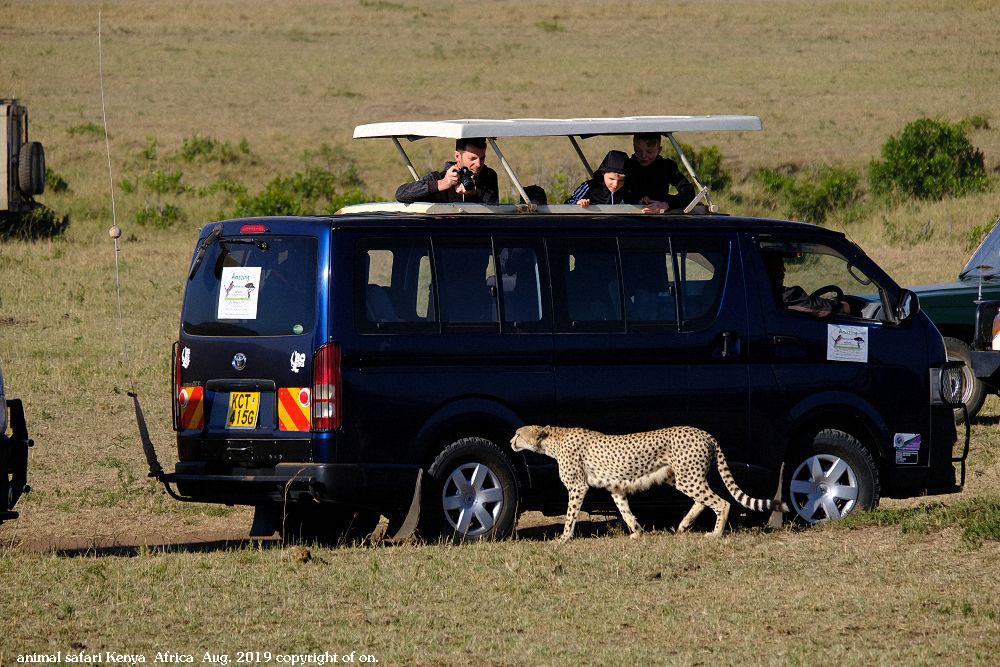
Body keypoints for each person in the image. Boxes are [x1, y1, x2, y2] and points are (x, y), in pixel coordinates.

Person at [395, 138, 499, 204]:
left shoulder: (488, 176)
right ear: (458, 156)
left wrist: (473, 193)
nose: (478, 164)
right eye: (472, 159)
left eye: (482, 158)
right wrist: (442, 184)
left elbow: (492, 209)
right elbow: (401, 194)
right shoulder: (439, 177)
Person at [761, 252, 850, 317]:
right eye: (779, 264)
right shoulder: (783, 295)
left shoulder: (761, 293)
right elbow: (815, 307)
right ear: (767, 269)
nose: (784, 269)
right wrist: (842, 307)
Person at [625, 133, 695, 212]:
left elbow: (688, 191)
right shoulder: (627, 166)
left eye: (649, 152)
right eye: (638, 151)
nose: (643, 156)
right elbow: (618, 193)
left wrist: (667, 203)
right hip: (630, 216)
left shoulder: (666, 166)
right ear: (634, 147)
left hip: (661, 218)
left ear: (659, 150)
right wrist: (637, 199)